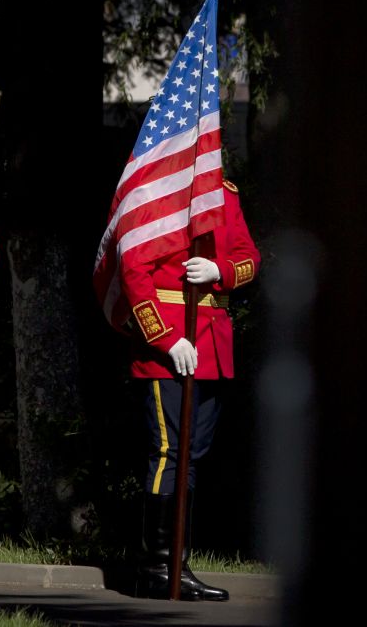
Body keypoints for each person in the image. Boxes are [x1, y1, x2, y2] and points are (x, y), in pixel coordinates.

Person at [118, 178, 261, 601]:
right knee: (169, 452)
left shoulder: (226, 194)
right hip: (169, 343)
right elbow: (133, 269)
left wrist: (222, 271)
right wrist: (164, 337)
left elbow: (250, 257)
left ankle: (176, 563)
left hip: (211, 341)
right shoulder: (157, 190)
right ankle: (156, 566)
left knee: (191, 456)